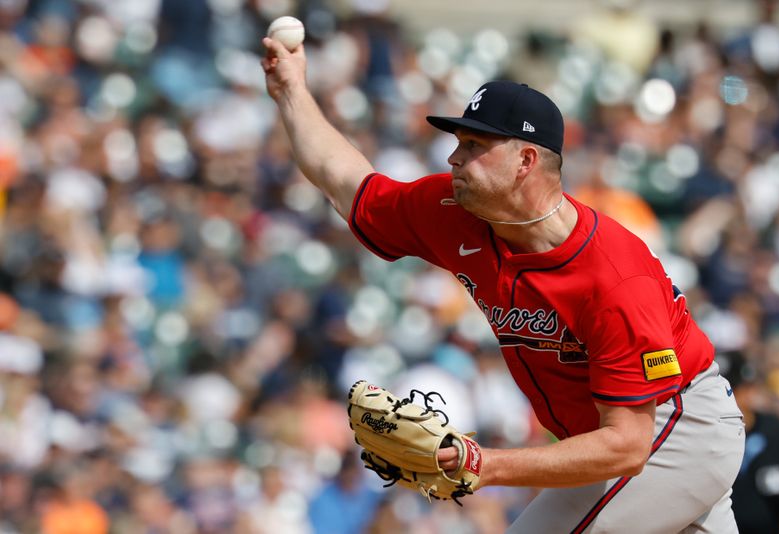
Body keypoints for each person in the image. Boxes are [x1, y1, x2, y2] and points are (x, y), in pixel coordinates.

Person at [260, 36, 745, 533]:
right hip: (618, 440)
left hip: (672, 426)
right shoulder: (453, 212)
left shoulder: (614, 276)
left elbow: (628, 444)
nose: (453, 158)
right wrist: (291, 89)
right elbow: (344, 180)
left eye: (474, 145)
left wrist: (485, 464)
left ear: (526, 162)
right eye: (457, 142)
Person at [719, 351, 779, 534]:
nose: (725, 399)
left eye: (732, 390)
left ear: (750, 390)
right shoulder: (703, 436)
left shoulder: (777, 431)